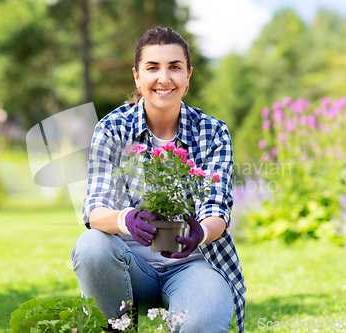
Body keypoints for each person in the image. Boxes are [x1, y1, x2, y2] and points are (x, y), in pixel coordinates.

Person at [70, 26, 246, 333]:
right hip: (128, 267)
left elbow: (217, 211)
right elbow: (95, 209)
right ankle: (117, 328)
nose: (164, 78)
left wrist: (200, 232)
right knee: (91, 246)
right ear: (137, 76)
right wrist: (126, 220)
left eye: (175, 68)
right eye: (152, 68)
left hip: (193, 263)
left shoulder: (213, 131)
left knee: (202, 325)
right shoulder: (112, 128)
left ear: (188, 76)